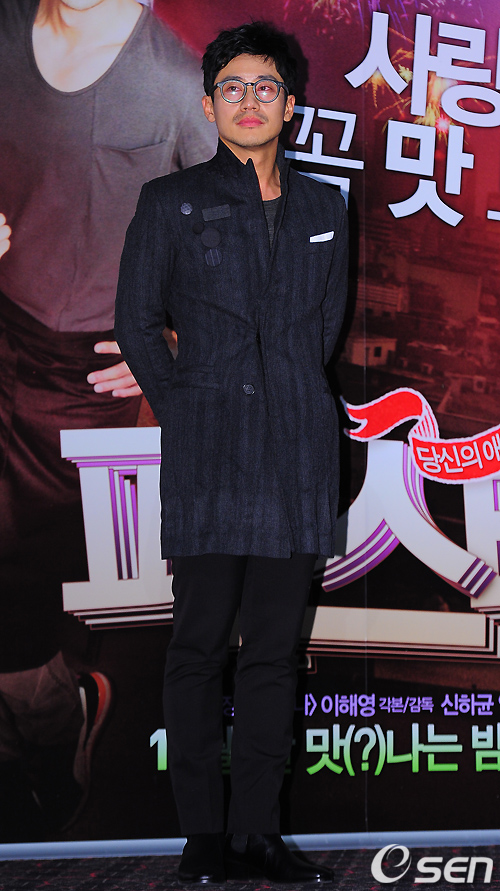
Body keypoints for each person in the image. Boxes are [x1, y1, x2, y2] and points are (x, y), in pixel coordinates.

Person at [115, 21, 348, 884]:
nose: (250, 100)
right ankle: (204, 836)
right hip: (208, 455)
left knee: (276, 654)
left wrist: (290, 398)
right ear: (209, 104)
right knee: (199, 646)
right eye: (233, 86)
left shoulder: (325, 208)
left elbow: (323, 331)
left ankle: (257, 833)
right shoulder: (168, 202)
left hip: (297, 458)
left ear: (291, 105)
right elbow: (136, 323)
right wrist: (187, 404)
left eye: (267, 86)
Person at [0, 0, 216, 839]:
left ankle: (54, 730)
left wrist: (173, 336)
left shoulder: (178, 85)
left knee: (22, 603)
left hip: (77, 381)